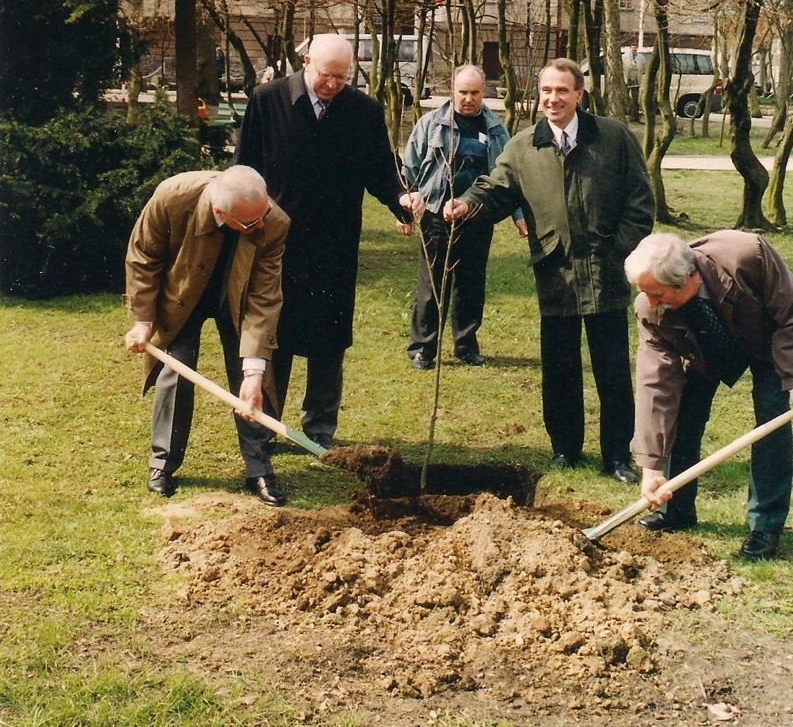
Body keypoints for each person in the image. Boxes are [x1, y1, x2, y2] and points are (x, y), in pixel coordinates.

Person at [444, 58, 654, 483]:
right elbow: (495, 189)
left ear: (579, 94)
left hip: (606, 271)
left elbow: (640, 201)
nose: (552, 98)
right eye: (546, 91)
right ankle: (565, 449)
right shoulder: (523, 147)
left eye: (562, 90)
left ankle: (617, 456)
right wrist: (465, 204)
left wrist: (618, 252)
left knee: (611, 368)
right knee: (559, 367)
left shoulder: (613, 137)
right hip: (555, 272)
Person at [234, 33, 422, 448]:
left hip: (335, 247)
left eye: (343, 77)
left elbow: (381, 173)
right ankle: (267, 423)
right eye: (326, 75)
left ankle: (320, 425)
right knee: (274, 336)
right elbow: (243, 168)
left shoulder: (363, 112)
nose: (333, 85)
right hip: (276, 246)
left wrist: (402, 200)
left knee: (329, 340)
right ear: (305, 62)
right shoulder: (268, 101)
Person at [624, 230, 793, 559]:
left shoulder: (746, 255)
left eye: (656, 293)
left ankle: (765, 526)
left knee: (771, 416)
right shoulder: (652, 309)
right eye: (644, 293)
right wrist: (652, 467)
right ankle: (676, 509)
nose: (648, 301)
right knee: (683, 412)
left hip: (769, 340)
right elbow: (656, 384)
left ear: (686, 279)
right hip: (703, 345)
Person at [124, 165, 289, 505]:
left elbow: (264, 297)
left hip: (238, 298)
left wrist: (253, 372)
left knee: (253, 381)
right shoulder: (172, 197)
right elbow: (143, 256)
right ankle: (163, 464)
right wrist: (143, 319)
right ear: (219, 211)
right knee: (176, 369)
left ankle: (259, 468)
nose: (259, 226)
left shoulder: (272, 221)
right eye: (249, 224)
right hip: (182, 293)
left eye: (262, 216)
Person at [402, 64, 528, 370]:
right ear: (452, 91)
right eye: (462, 92)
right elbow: (410, 170)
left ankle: (466, 344)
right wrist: (405, 212)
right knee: (432, 285)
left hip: (477, 217)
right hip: (435, 216)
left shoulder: (497, 129)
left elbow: (508, 177)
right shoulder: (430, 124)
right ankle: (423, 348)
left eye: (474, 93)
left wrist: (519, 216)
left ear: (484, 92)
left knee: (471, 284)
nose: (468, 99)